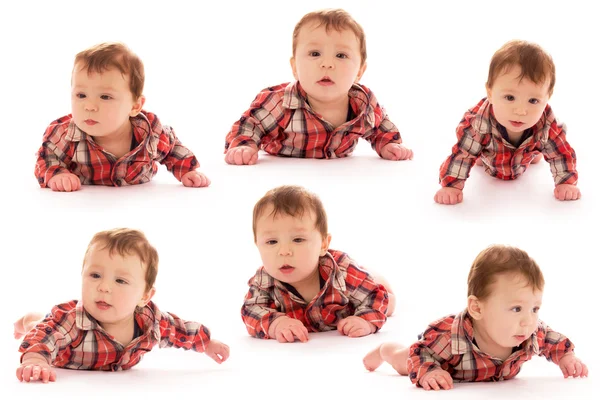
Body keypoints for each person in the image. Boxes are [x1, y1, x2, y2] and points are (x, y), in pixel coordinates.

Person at [14, 228, 229, 383]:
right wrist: (35, 361)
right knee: (40, 325)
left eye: (120, 281)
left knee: (44, 324)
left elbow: (179, 330)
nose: (104, 287)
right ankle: (28, 320)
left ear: (145, 296)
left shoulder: (149, 321)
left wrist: (207, 343)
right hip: (63, 354)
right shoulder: (71, 320)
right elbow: (44, 337)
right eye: (95, 275)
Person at [362, 245, 587, 390]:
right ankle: (385, 350)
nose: (528, 320)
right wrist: (430, 371)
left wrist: (567, 358)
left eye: (535, 308)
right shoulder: (447, 337)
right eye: (516, 309)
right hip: (438, 360)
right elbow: (420, 353)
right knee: (403, 360)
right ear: (477, 309)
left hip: (486, 372)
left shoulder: (529, 330)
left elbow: (554, 342)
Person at [224, 9, 412, 165]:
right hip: (284, 171)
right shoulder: (279, 102)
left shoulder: (363, 103)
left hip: (340, 176)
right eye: (315, 53)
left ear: (359, 71)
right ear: (295, 67)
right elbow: (250, 124)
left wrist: (389, 145)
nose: (327, 64)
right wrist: (244, 146)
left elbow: (380, 128)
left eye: (341, 55)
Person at [35, 42, 210, 191]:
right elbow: (46, 158)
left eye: (105, 97)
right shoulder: (65, 134)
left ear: (135, 106)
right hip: (89, 203)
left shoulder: (149, 133)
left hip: (140, 199)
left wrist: (188, 171)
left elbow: (172, 150)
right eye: (81, 95)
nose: (89, 106)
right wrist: (57, 174)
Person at [242, 185, 395, 342]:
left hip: (356, 293)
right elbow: (251, 310)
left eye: (298, 239)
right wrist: (276, 323)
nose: (284, 251)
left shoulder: (342, 272)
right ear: (257, 245)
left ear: (323, 244)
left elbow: (374, 296)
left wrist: (365, 321)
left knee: (388, 302)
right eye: (272, 241)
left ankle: (373, 275)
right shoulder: (264, 281)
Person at [435, 40, 579, 205]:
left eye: (533, 100)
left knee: (545, 145)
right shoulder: (477, 124)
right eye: (510, 98)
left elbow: (561, 154)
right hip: (492, 157)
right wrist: (451, 186)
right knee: (476, 154)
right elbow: (463, 154)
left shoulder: (547, 124)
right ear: (490, 92)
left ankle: (532, 153)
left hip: (523, 156)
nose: (520, 110)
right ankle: (482, 155)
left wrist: (565, 182)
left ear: (547, 98)